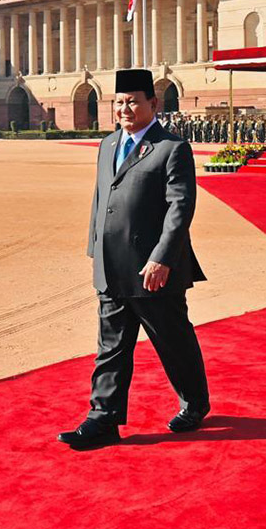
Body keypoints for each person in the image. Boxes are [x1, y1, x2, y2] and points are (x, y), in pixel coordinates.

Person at [59, 69, 210, 450]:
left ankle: (195, 403)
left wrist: (163, 258)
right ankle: (102, 419)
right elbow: (101, 201)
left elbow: (180, 208)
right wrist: (96, 249)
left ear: (153, 104)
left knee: (172, 342)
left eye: (134, 101)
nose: (125, 108)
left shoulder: (170, 147)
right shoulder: (109, 144)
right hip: (112, 267)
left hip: (152, 271)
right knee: (110, 349)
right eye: (120, 102)